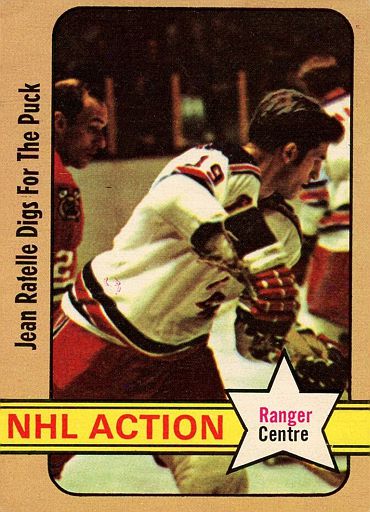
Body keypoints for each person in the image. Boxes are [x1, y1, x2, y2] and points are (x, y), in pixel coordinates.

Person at [50, 89, 343, 493]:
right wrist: (251, 258)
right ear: (290, 152)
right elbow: (178, 197)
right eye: (316, 161)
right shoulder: (216, 160)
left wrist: (282, 343)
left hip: (179, 362)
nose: (316, 176)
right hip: (97, 332)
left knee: (219, 477)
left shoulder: (286, 233)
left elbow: (246, 339)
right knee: (23, 460)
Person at [291, 55, 350, 334]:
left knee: (324, 326)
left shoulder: (318, 124)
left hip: (342, 240)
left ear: (310, 88)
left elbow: (316, 191)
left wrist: (305, 238)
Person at [53, 79, 108, 317]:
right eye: (93, 129)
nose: (102, 142)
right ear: (60, 123)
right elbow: (54, 292)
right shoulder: (60, 184)